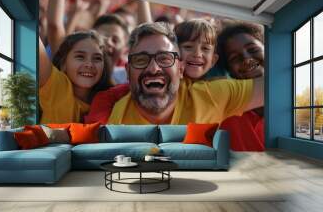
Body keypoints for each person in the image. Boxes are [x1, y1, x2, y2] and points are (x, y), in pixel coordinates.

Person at [87, 22, 263, 125]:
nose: (153, 68)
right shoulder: (110, 112)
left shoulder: (212, 95)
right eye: (141, 60)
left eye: (164, 59)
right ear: (128, 71)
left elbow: (279, 85)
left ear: (180, 69)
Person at [39, 30, 113, 124]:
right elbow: (31, 35)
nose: (89, 64)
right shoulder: (56, 87)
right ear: (63, 64)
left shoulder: (113, 100)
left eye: (97, 58)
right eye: (80, 57)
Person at [217, 22, 265, 151]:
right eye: (234, 58)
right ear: (230, 72)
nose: (247, 59)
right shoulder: (227, 119)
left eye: (253, 49)